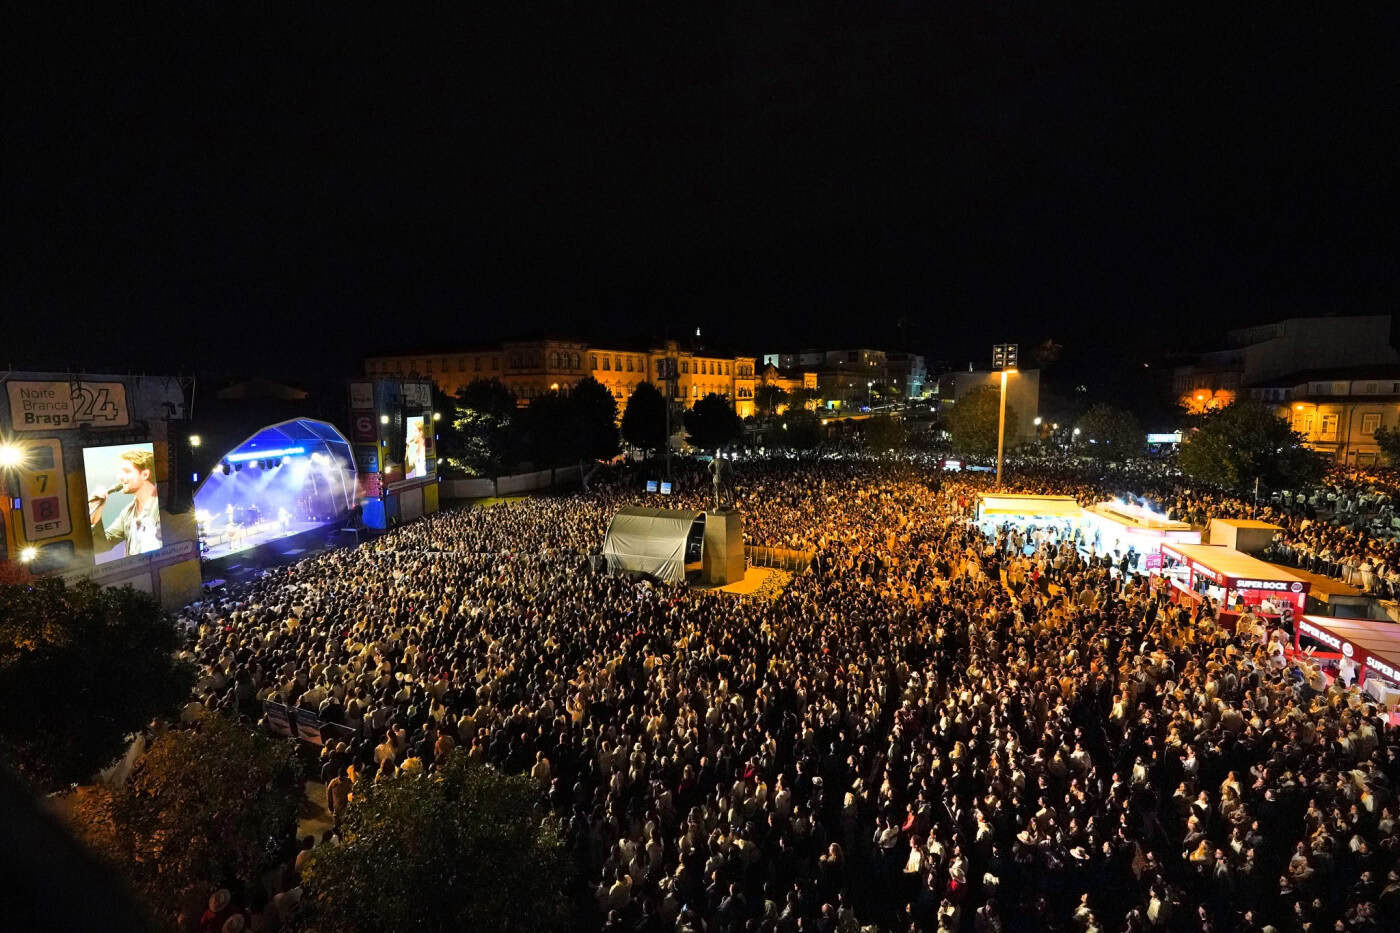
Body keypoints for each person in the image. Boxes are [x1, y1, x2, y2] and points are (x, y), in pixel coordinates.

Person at [89, 447, 162, 558]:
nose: (120, 477)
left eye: (127, 471)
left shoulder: (162, 505)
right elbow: (100, 547)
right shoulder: (127, 512)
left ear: (145, 474)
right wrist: (96, 512)